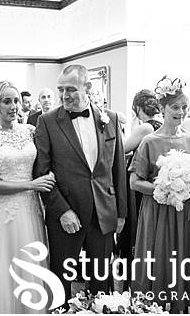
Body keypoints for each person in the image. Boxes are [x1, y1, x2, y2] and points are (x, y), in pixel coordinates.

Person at [33, 64, 127, 303]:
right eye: (61, 89)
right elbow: (42, 173)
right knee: (61, 283)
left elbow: (118, 170)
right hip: (66, 216)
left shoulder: (111, 119)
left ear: (88, 87)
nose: (65, 95)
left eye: (71, 89)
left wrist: (121, 213)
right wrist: (62, 211)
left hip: (103, 213)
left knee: (101, 282)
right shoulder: (47, 122)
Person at [129, 81, 190, 313]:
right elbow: (134, 182)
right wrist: (165, 189)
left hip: (189, 214)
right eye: (175, 107)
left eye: (184, 107)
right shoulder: (149, 141)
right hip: (159, 212)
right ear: (163, 109)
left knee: (186, 261)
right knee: (160, 260)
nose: (181, 112)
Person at [0, 81, 52, 314]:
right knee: (6, 265)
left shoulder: (30, 131)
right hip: (5, 212)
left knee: (32, 262)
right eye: (7, 101)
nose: (13, 106)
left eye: (16, 100)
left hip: (31, 210)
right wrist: (31, 185)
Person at [117, 89, 163, 272]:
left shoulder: (146, 127)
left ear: (137, 107)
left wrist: (118, 130)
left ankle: (134, 263)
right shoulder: (162, 124)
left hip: (140, 182)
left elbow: (121, 149)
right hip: (155, 182)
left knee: (136, 223)